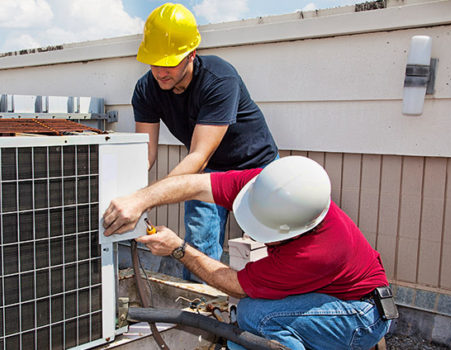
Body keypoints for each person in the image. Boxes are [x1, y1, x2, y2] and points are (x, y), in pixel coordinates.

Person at [103, 156, 393, 350]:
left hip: (360, 314)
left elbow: (237, 285)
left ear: (294, 230)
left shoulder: (316, 252)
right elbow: (193, 184)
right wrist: (139, 200)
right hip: (336, 294)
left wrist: (178, 249)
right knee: (247, 331)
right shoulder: (269, 186)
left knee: (256, 315)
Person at [132, 3, 279, 280]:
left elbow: (199, 155)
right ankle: (199, 314)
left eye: (171, 62)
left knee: (274, 244)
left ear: (191, 55)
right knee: (198, 246)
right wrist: (129, 193)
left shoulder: (219, 78)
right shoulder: (146, 89)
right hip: (209, 171)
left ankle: (267, 310)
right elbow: (146, 153)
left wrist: (145, 199)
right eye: (155, 62)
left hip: (257, 167)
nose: (161, 71)